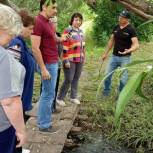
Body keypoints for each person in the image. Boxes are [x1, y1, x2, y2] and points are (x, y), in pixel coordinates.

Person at [0, 4, 26, 153]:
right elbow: (10, 101)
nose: (11, 39)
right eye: (11, 34)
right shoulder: (4, 58)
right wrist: (21, 131)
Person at [31, 0, 59, 133]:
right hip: (47, 64)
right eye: (53, 7)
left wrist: (61, 39)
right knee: (48, 95)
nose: (55, 10)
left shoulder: (47, 21)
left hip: (52, 61)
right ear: (44, 7)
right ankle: (44, 125)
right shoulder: (38, 22)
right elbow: (35, 48)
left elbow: (51, 38)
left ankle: (43, 121)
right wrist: (43, 68)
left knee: (48, 93)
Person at [102, 10, 139, 96]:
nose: (119, 19)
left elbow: (136, 45)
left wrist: (129, 50)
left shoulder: (131, 29)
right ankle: (106, 91)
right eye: (119, 17)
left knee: (124, 79)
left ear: (127, 19)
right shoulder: (116, 27)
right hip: (114, 57)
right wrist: (105, 53)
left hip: (125, 58)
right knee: (107, 75)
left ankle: (121, 94)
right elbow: (111, 41)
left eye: (122, 18)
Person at [8, 9, 35, 116]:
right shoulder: (16, 45)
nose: (32, 32)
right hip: (15, 104)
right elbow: (10, 78)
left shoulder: (22, 43)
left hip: (21, 101)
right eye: (30, 29)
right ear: (20, 27)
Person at [56, 12, 85, 106]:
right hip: (70, 59)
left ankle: (73, 97)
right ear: (72, 20)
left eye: (80, 20)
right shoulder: (68, 31)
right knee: (69, 79)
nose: (78, 22)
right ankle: (60, 98)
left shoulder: (81, 31)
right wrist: (66, 60)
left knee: (76, 78)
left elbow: (83, 46)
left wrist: (83, 57)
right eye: (76, 19)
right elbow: (64, 46)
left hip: (79, 59)